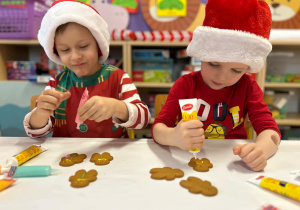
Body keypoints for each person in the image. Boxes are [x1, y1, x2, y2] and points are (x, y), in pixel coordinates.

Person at [151, 0, 281, 172]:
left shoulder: (248, 87)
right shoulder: (186, 84)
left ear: (247, 69)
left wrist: (261, 150)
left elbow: (270, 131)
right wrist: (173, 136)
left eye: (236, 70)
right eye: (213, 64)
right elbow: (158, 128)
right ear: (201, 55)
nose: (221, 77)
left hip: (233, 162)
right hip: (189, 159)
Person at [24, 0, 150, 138]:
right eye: (65, 50)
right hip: (67, 155)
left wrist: (116, 107)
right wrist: (41, 113)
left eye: (83, 46)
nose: (75, 56)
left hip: (113, 156)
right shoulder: (56, 83)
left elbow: (143, 120)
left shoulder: (118, 78)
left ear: (98, 44)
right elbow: (35, 133)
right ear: (56, 53)